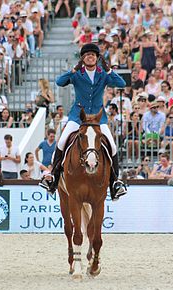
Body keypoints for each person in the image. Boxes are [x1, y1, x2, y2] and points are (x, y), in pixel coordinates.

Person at [40, 43, 127, 200]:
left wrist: (108, 70)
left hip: (98, 119)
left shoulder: (103, 74)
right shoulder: (77, 74)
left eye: (93, 54)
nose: (90, 56)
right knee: (61, 143)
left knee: (112, 146)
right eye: (87, 55)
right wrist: (73, 69)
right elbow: (60, 82)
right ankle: (53, 178)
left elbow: (121, 83)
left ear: (97, 58)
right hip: (77, 117)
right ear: (82, 58)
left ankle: (115, 183)